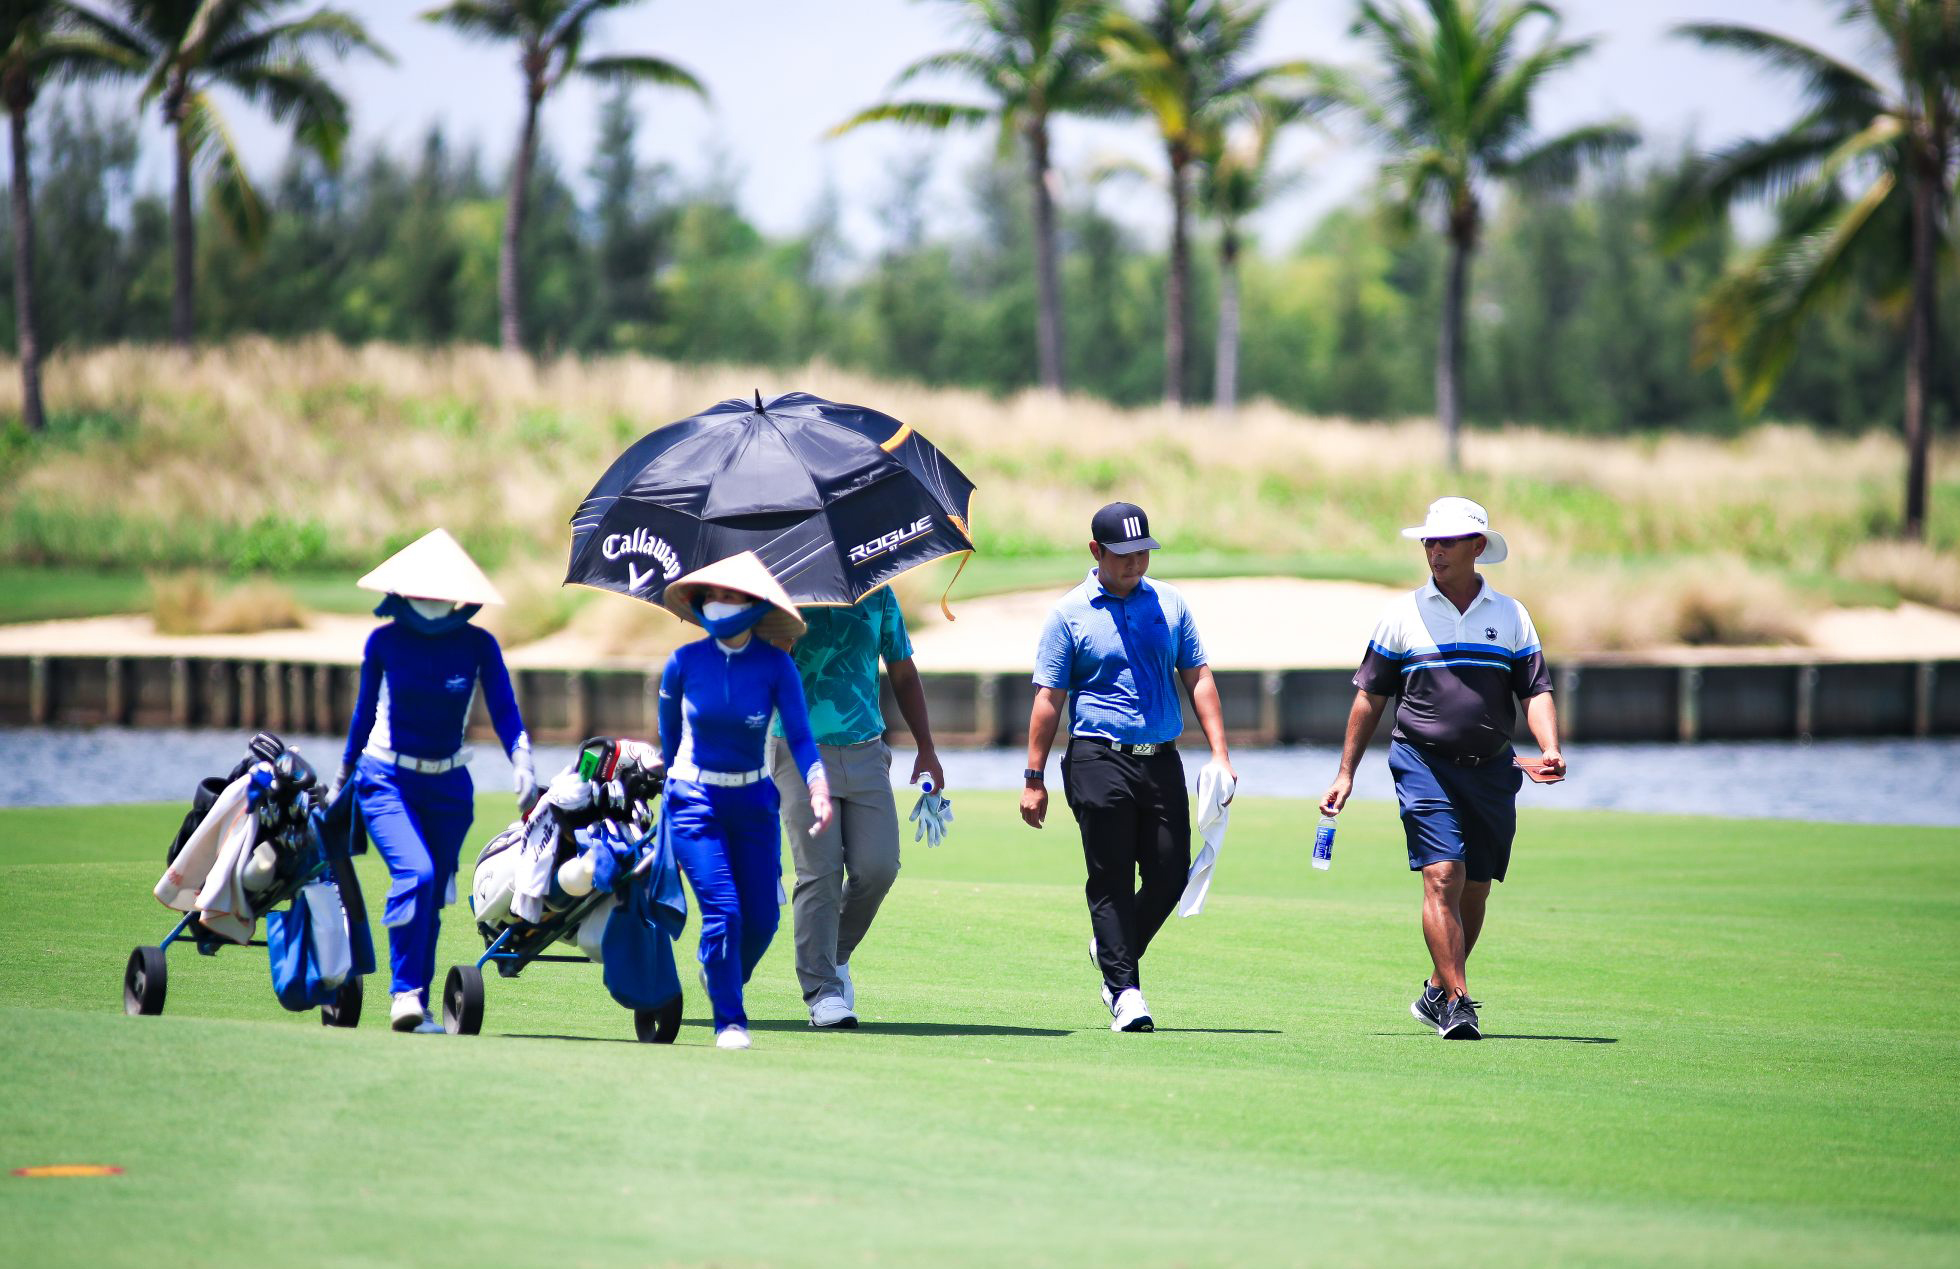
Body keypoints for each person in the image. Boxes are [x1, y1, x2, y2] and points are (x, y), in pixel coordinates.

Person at [1319, 497, 1564, 1041]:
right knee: (1443, 876)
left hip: (1493, 769)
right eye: (1429, 541)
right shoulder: (1402, 612)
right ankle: (1458, 1002)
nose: (1434, 550)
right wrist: (1345, 773)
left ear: (1478, 547)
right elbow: (1369, 698)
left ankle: (1436, 988)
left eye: (1447, 541)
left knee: (1475, 887)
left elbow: (1536, 690)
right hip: (1422, 762)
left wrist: (1549, 746)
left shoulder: (1511, 615)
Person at [1021, 502, 1236, 1033]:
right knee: (1111, 875)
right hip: (1097, 756)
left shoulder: (1169, 603)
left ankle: (1112, 948)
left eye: (1143, 552)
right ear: (1096, 552)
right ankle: (1125, 992)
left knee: (1169, 873)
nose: (1135, 562)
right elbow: (1049, 699)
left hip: (1161, 758)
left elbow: (1198, 675)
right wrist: (1034, 777)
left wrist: (1220, 753)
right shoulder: (1068, 614)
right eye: (1123, 554)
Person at [334, 528, 535, 1033]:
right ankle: (403, 992)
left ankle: (417, 1003)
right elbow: (363, 714)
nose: (431, 599)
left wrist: (523, 760)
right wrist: (343, 773)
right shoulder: (384, 642)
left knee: (435, 893)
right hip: (385, 779)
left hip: (449, 790)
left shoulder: (477, 645)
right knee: (416, 876)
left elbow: (505, 710)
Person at [656, 552, 833, 1051]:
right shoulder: (683, 663)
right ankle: (729, 1020)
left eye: (732, 596)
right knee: (724, 913)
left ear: (754, 605)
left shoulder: (775, 665)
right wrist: (672, 787)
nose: (720, 604)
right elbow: (669, 741)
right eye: (712, 596)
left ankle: (720, 974)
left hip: (755, 804)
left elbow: (799, 736)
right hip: (695, 803)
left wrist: (818, 787)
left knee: (762, 920)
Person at [770, 585, 943, 1028]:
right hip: (798, 748)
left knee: (878, 867)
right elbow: (758, 672)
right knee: (820, 872)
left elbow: (903, 671)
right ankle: (822, 992)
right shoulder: (782, 592)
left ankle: (835, 955)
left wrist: (926, 748)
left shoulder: (878, 595)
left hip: (866, 750)